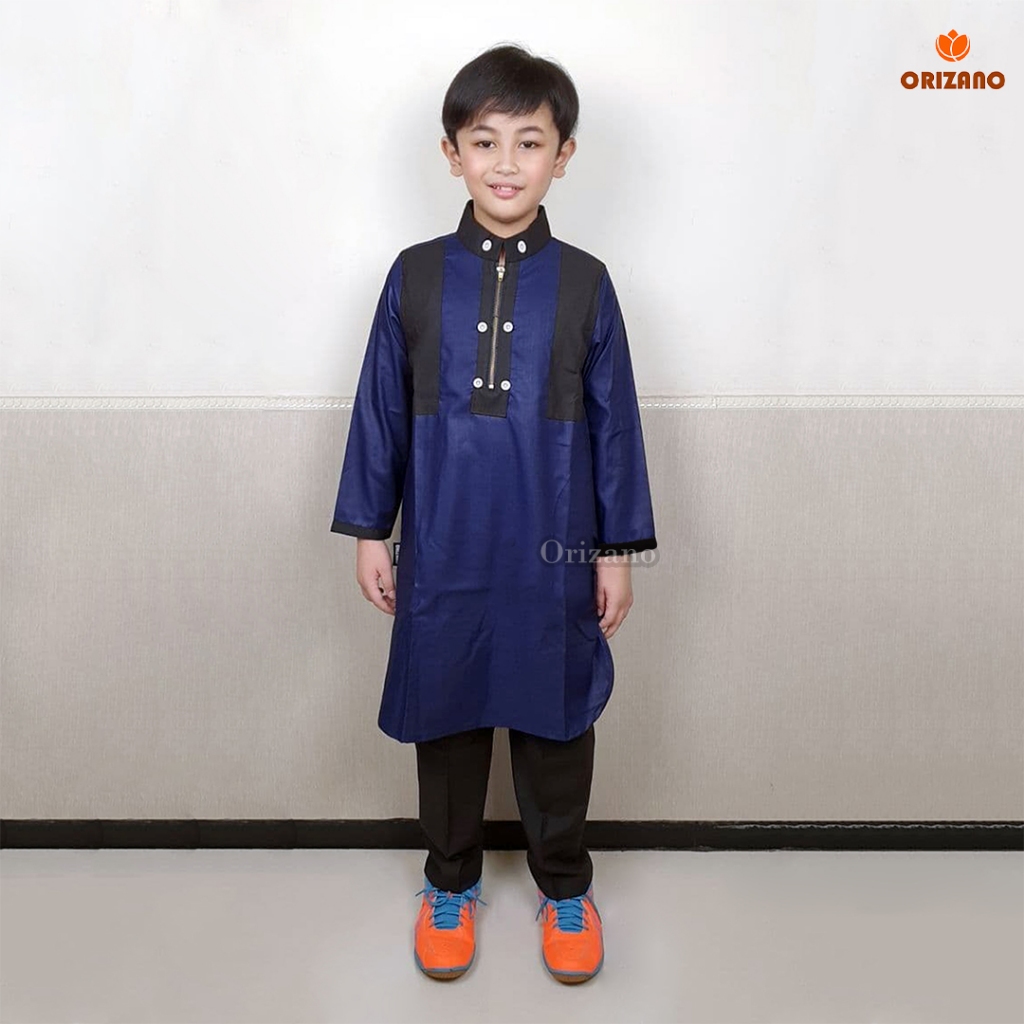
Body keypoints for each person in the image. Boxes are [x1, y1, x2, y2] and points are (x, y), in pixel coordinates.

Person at [330, 43, 657, 984]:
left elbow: (616, 427)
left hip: (554, 545)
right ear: (452, 154)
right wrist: (371, 531)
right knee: (448, 713)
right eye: (484, 141)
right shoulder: (414, 276)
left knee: (556, 718)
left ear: (564, 155)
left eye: (529, 141)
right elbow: (382, 410)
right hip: (442, 540)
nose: (506, 163)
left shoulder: (587, 283)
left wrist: (616, 550)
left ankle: (565, 887)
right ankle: (450, 882)